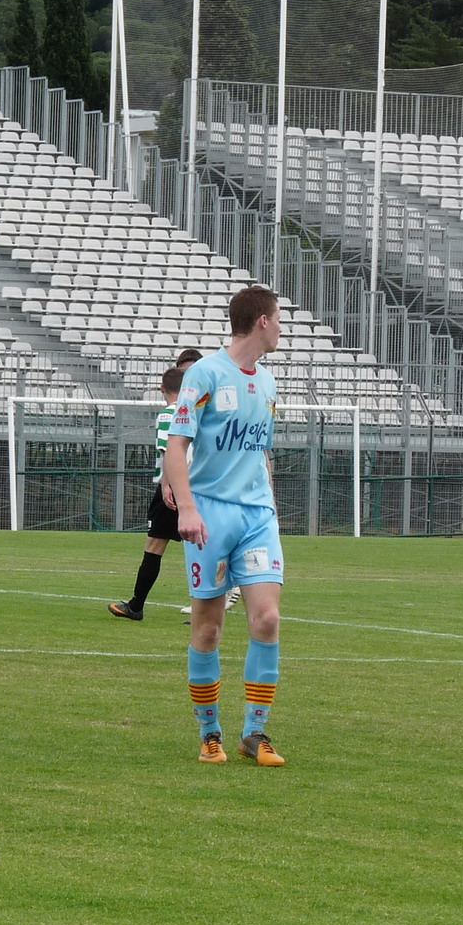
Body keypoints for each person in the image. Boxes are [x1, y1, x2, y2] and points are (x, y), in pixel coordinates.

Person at [164, 286, 285, 767]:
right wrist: (187, 509)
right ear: (260, 321)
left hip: (257, 516)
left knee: (268, 619)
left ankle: (255, 732)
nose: (282, 329)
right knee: (209, 629)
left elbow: (261, 453)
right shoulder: (205, 374)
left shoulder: (270, 383)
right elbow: (177, 447)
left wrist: (269, 502)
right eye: (279, 320)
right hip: (211, 515)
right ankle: (210, 731)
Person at [108, 366, 186, 621]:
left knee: (154, 545)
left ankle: (136, 605)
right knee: (204, 546)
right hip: (198, 487)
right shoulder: (197, 413)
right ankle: (209, 608)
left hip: (173, 487)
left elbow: (169, 451)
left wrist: (165, 485)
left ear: (162, 389)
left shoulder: (168, 414)